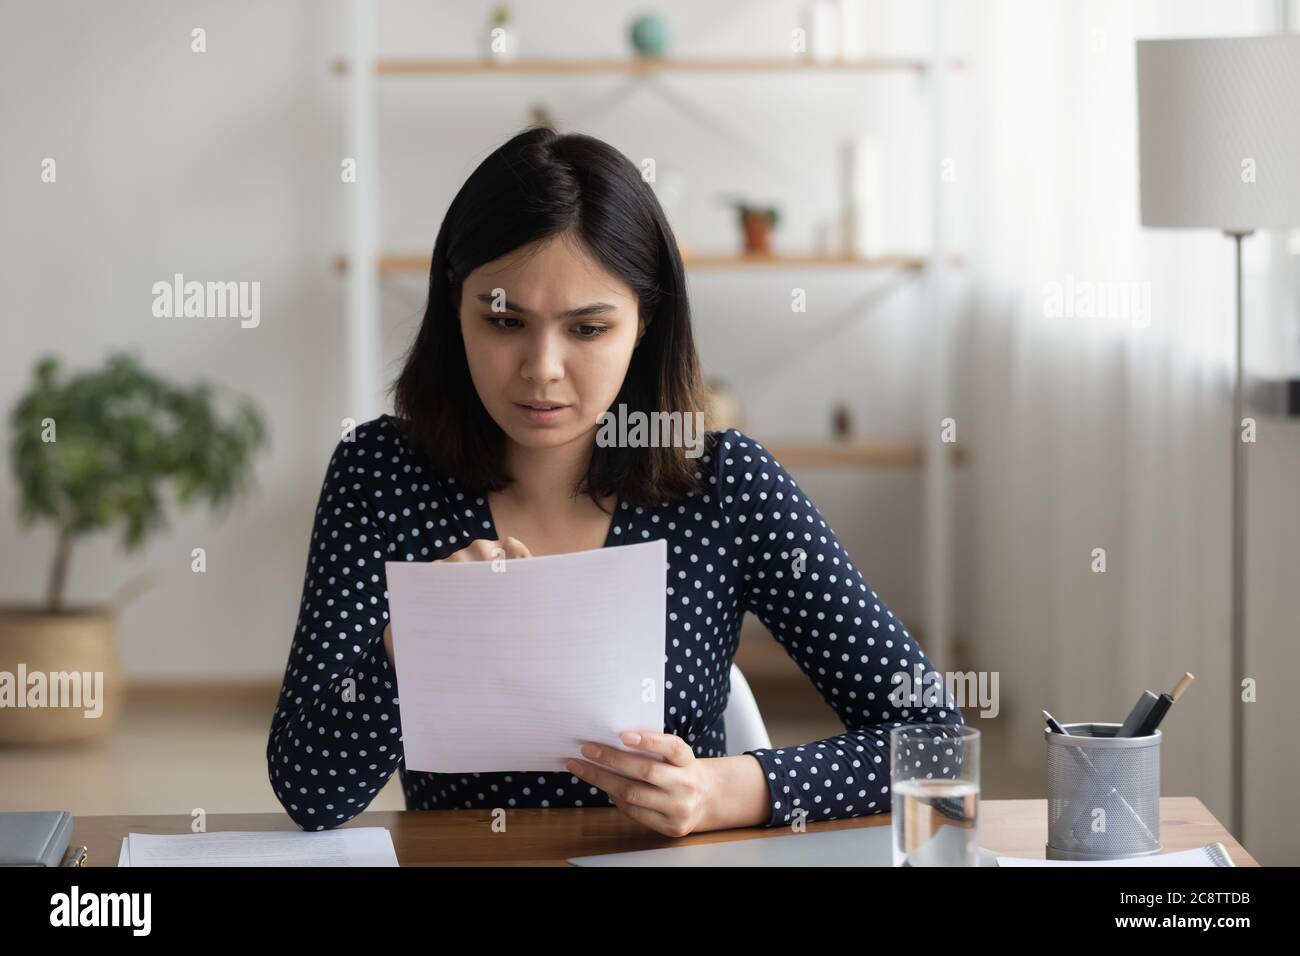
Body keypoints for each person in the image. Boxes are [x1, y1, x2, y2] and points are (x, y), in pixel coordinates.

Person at [266, 125, 965, 836]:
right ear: (456, 306)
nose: (541, 366)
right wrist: (413, 642)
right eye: (505, 321)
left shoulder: (723, 485)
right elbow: (310, 792)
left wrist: (723, 791)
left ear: (644, 322)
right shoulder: (379, 476)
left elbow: (936, 743)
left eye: (588, 329)